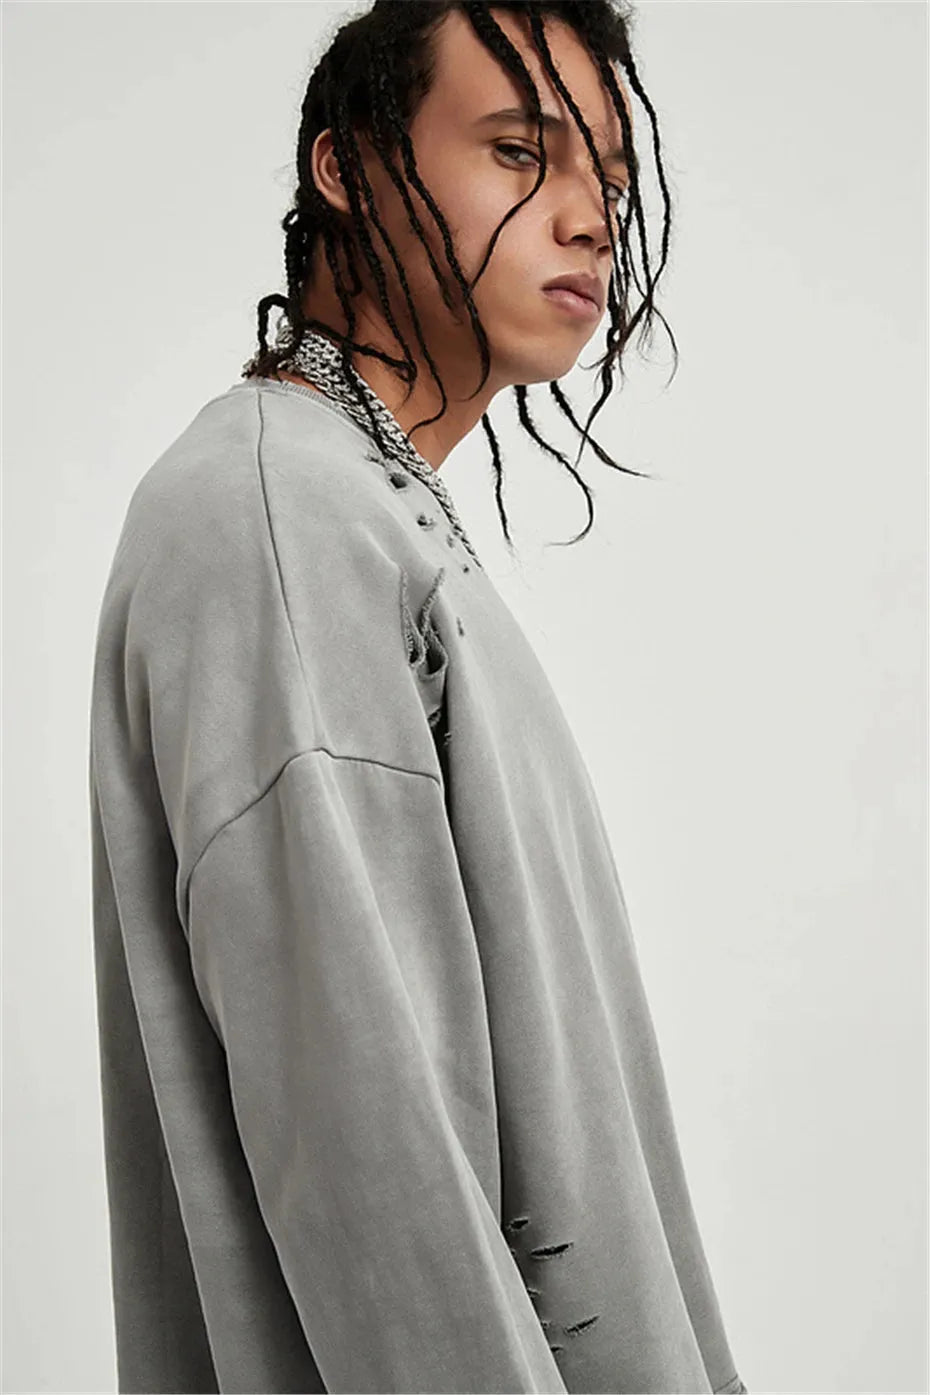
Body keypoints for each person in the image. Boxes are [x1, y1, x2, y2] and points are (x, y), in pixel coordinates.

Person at [89, 3, 749, 1393]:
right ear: (346, 166)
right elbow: (372, 1159)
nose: (588, 219)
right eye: (518, 151)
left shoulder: (363, 507)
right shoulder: (278, 516)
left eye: (607, 178)